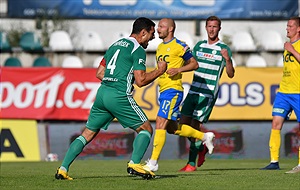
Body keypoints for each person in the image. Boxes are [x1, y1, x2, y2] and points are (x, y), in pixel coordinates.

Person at [55, 17, 168, 180]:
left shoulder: (115, 45)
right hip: (118, 95)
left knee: (87, 133)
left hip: (102, 94)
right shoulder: (137, 50)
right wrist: (160, 70)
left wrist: (114, 80)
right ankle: (135, 164)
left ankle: (63, 168)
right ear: (143, 32)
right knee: (145, 129)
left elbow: (99, 73)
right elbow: (141, 81)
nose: (153, 38)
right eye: (151, 34)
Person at [145, 18, 215, 172]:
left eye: (161, 26)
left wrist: (178, 70)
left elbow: (194, 64)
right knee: (172, 128)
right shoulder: (160, 47)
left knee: (160, 121)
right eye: (158, 26)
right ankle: (204, 137)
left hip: (173, 90)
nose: (158, 29)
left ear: (170, 29)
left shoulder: (179, 46)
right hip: (163, 90)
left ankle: (153, 162)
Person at [177, 15, 235, 172]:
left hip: (207, 94)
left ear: (219, 29)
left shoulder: (223, 49)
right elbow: (192, 64)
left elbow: (230, 74)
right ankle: (201, 146)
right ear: (205, 28)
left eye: (215, 26)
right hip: (193, 90)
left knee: (195, 125)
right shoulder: (200, 46)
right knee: (182, 125)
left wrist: (228, 60)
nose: (212, 29)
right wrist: (184, 54)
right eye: (209, 26)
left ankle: (191, 164)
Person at [261, 16, 300, 174]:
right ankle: (274, 161)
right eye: (287, 25)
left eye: (290, 26)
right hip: (284, 92)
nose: (287, 28)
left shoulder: (293, 46)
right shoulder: (288, 45)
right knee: (275, 124)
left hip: (298, 93)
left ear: (298, 29)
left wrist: (292, 50)